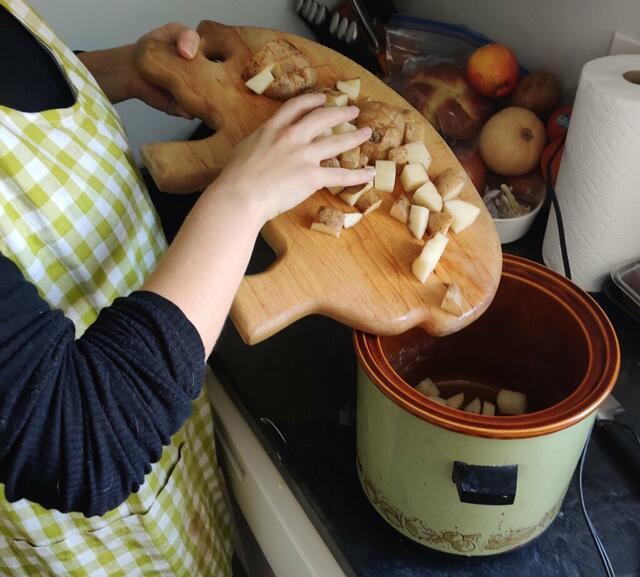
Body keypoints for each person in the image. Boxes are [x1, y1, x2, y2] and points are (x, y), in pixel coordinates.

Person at [0, 1, 374, 575]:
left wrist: (109, 72)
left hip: (158, 390)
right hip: (84, 525)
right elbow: (80, 437)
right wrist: (241, 197)